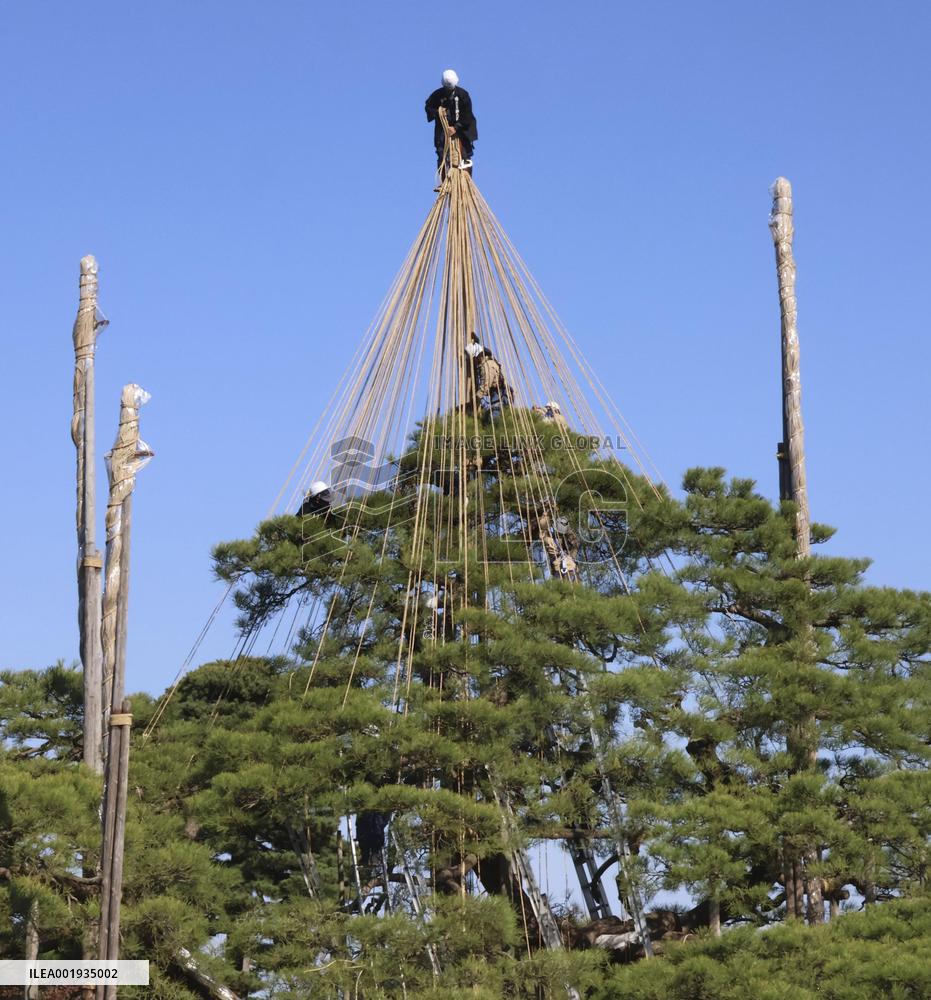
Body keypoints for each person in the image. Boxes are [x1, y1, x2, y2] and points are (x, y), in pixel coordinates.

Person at [425, 69, 478, 177]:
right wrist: (438, 112)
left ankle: (466, 178)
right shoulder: (437, 95)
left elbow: (467, 114)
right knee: (442, 154)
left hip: (463, 129)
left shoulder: (463, 95)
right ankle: (444, 181)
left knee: (464, 154)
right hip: (443, 130)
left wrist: (456, 128)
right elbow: (428, 107)